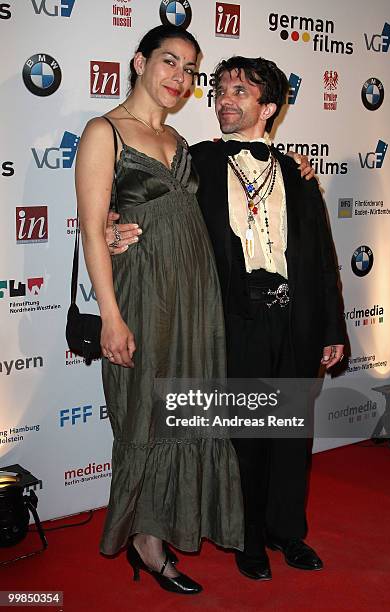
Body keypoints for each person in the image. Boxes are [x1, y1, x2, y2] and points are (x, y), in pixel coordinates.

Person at [108, 56, 345, 582]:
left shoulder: (297, 174)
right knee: (246, 437)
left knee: (290, 436)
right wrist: (109, 225)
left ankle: (288, 532)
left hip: (295, 319)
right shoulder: (201, 162)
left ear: (268, 107)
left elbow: (322, 257)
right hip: (235, 317)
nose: (223, 100)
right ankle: (250, 539)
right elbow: (144, 197)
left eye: (239, 91)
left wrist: (331, 329)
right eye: (219, 91)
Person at [75, 25, 245, 595]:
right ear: (139, 61)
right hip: (143, 296)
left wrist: (298, 169)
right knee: (145, 414)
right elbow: (92, 232)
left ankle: (170, 522)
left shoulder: (179, 140)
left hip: (196, 297)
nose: (179, 77)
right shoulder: (105, 132)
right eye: (169, 61)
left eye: (190, 69)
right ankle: (146, 545)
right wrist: (111, 316)